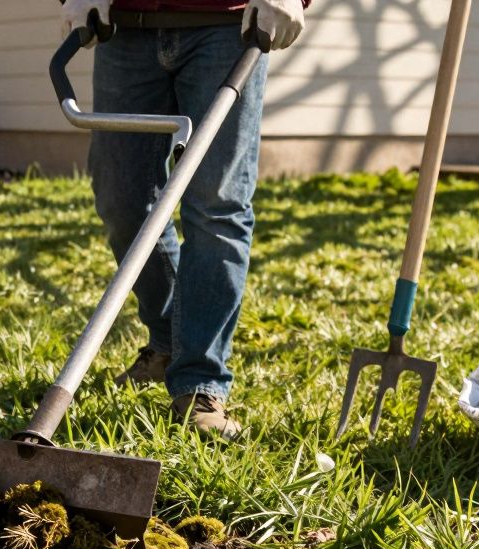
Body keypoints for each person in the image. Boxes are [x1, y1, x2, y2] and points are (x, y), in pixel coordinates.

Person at [60, 0, 307, 441]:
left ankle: (199, 381)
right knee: (123, 200)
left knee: (216, 205)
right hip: (126, 27)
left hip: (227, 27)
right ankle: (170, 340)